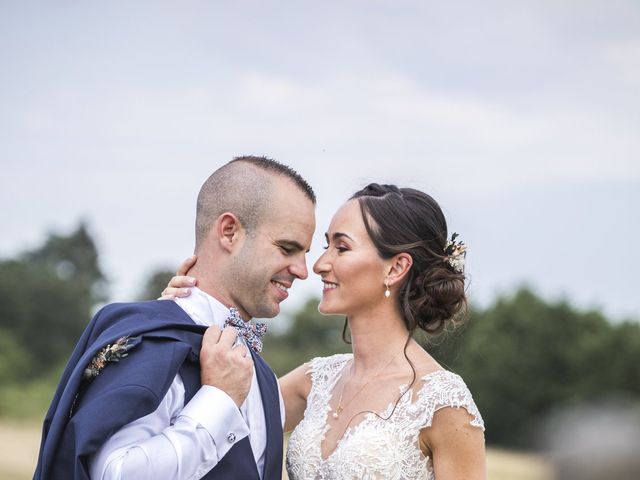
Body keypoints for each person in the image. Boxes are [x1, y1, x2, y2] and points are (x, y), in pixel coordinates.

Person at [165, 183, 487, 479]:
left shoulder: (443, 402)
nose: (318, 264)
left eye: (341, 248)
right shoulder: (316, 380)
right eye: (326, 246)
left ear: (396, 268)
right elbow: (210, 410)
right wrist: (183, 313)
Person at [33, 156, 316, 480]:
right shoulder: (151, 344)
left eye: (305, 253)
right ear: (228, 232)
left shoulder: (263, 379)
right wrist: (218, 402)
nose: (303, 270)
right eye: (287, 247)